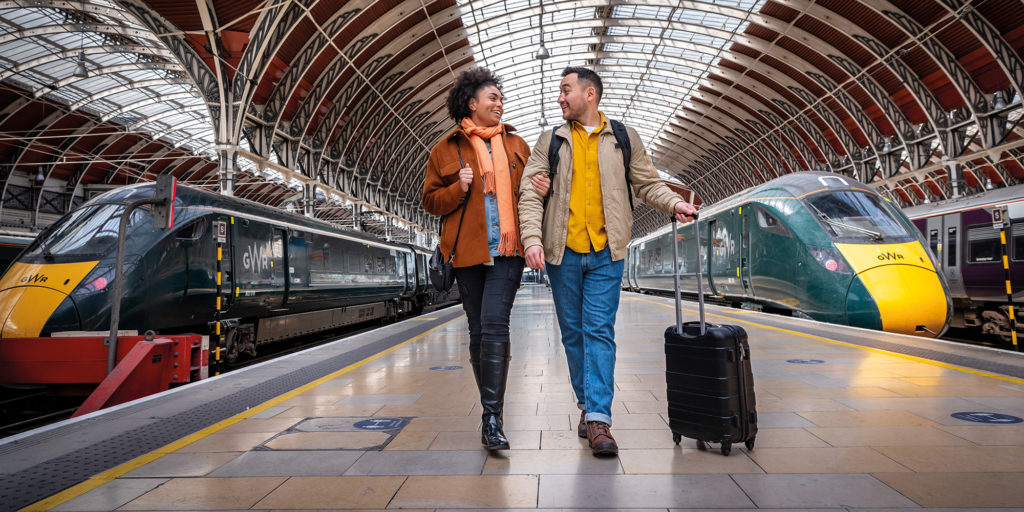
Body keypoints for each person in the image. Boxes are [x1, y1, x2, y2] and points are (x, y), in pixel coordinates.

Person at [518, 66, 697, 456]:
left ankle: (599, 418)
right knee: (573, 335)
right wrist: (532, 239)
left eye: (566, 90)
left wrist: (675, 202)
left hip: (607, 253)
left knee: (599, 331)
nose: (560, 98)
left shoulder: (622, 137)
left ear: (590, 94)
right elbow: (530, 194)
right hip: (562, 254)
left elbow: (647, 183)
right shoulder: (550, 141)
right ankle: (587, 403)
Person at [422, 67, 547, 450]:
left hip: (508, 252)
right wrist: (457, 189)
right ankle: (490, 414)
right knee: (477, 330)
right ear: (471, 103)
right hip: (467, 252)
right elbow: (430, 201)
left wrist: (543, 187)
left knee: (494, 325)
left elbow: (533, 193)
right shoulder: (445, 149)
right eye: (492, 98)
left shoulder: (517, 145)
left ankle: (492, 417)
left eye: (500, 98)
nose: (499, 104)